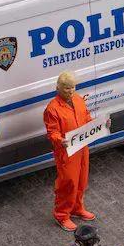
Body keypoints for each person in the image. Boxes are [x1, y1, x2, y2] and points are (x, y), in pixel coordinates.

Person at [43, 71, 97, 231]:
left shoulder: (79, 100)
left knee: (82, 179)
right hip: (66, 152)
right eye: (67, 88)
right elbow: (52, 132)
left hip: (82, 147)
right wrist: (61, 141)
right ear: (58, 88)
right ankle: (62, 215)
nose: (71, 91)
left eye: (73, 87)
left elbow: (86, 118)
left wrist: (99, 125)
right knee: (68, 183)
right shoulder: (52, 109)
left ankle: (77, 208)